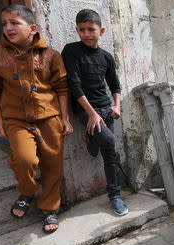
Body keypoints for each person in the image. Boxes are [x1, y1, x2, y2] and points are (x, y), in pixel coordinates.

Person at [0, 5, 73, 234]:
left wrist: (65, 118)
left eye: (14, 23)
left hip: (49, 116)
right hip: (16, 118)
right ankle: (27, 189)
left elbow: (62, 87)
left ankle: (49, 208)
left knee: (53, 164)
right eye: (4, 24)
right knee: (25, 160)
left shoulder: (51, 55)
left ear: (32, 28)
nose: (8, 28)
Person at [61, 9, 127, 216]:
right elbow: (75, 85)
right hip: (85, 110)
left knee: (109, 154)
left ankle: (115, 196)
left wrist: (117, 106)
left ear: (102, 31)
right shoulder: (71, 51)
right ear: (77, 30)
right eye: (82, 30)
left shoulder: (106, 57)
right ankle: (93, 138)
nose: (86, 34)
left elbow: (115, 85)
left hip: (106, 108)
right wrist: (90, 114)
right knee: (108, 141)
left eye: (91, 29)